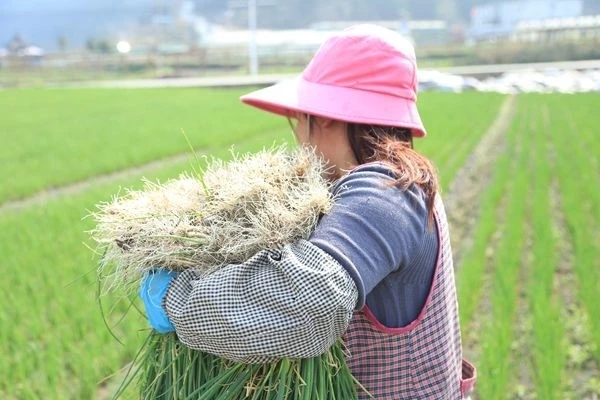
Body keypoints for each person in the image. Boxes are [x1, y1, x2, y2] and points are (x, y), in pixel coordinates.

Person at [139, 24, 476, 399]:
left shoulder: (385, 194)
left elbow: (309, 300)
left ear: (327, 115)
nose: (298, 133)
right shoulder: (396, 184)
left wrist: (177, 300)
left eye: (300, 118)